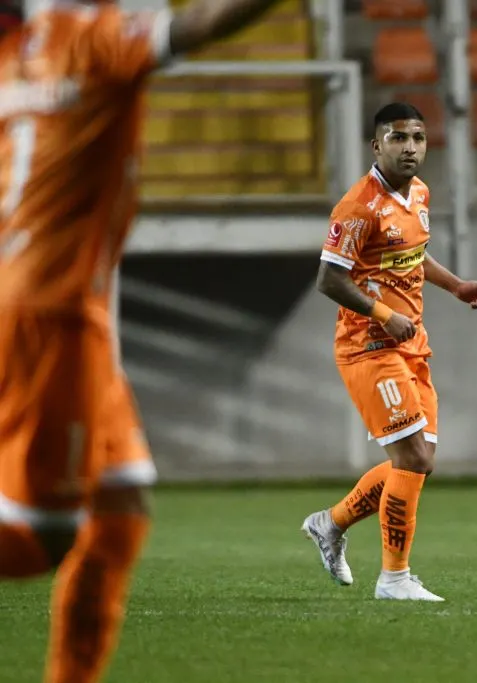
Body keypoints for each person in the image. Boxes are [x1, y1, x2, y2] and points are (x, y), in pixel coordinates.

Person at [0, 0, 324, 681]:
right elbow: (202, 23)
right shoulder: (89, 37)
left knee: (122, 502)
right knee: (41, 540)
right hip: (50, 311)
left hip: (58, 302)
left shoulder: (18, 56)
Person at [302, 102, 477, 602]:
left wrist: (456, 286)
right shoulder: (358, 206)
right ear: (376, 145)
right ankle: (393, 579)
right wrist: (385, 315)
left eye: (417, 138)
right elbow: (329, 278)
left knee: (419, 460)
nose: (409, 147)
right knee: (411, 455)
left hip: (412, 346)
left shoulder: (420, 194)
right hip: (368, 348)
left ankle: (332, 524)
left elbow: (412, 253)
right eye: (397, 138)